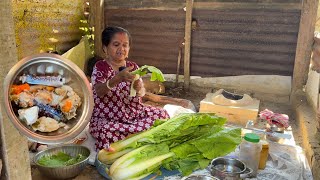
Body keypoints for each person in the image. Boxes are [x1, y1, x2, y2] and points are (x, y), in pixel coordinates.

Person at [89, 26, 169, 150]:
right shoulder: (101, 67)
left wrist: (139, 88)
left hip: (133, 114)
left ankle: (132, 134)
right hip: (108, 118)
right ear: (105, 48)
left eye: (125, 45)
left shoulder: (133, 66)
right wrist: (117, 78)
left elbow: (141, 94)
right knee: (105, 131)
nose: (121, 49)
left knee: (162, 114)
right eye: (116, 45)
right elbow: (98, 91)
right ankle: (137, 135)